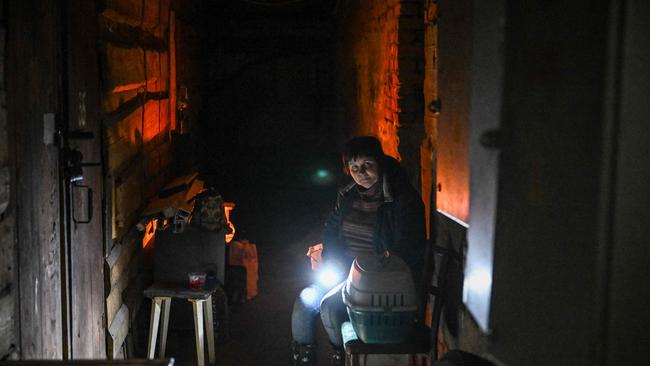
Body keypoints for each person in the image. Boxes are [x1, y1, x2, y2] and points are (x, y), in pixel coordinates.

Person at [291, 136, 426, 366]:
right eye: (354, 168)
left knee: (329, 308)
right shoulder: (347, 195)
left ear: (380, 162)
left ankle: (342, 358)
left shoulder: (401, 198)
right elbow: (331, 228)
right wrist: (328, 257)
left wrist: (371, 271)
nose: (361, 173)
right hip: (342, 272)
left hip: (375, 280)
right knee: (304, 303)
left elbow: (407, 246)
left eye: (367, 165)